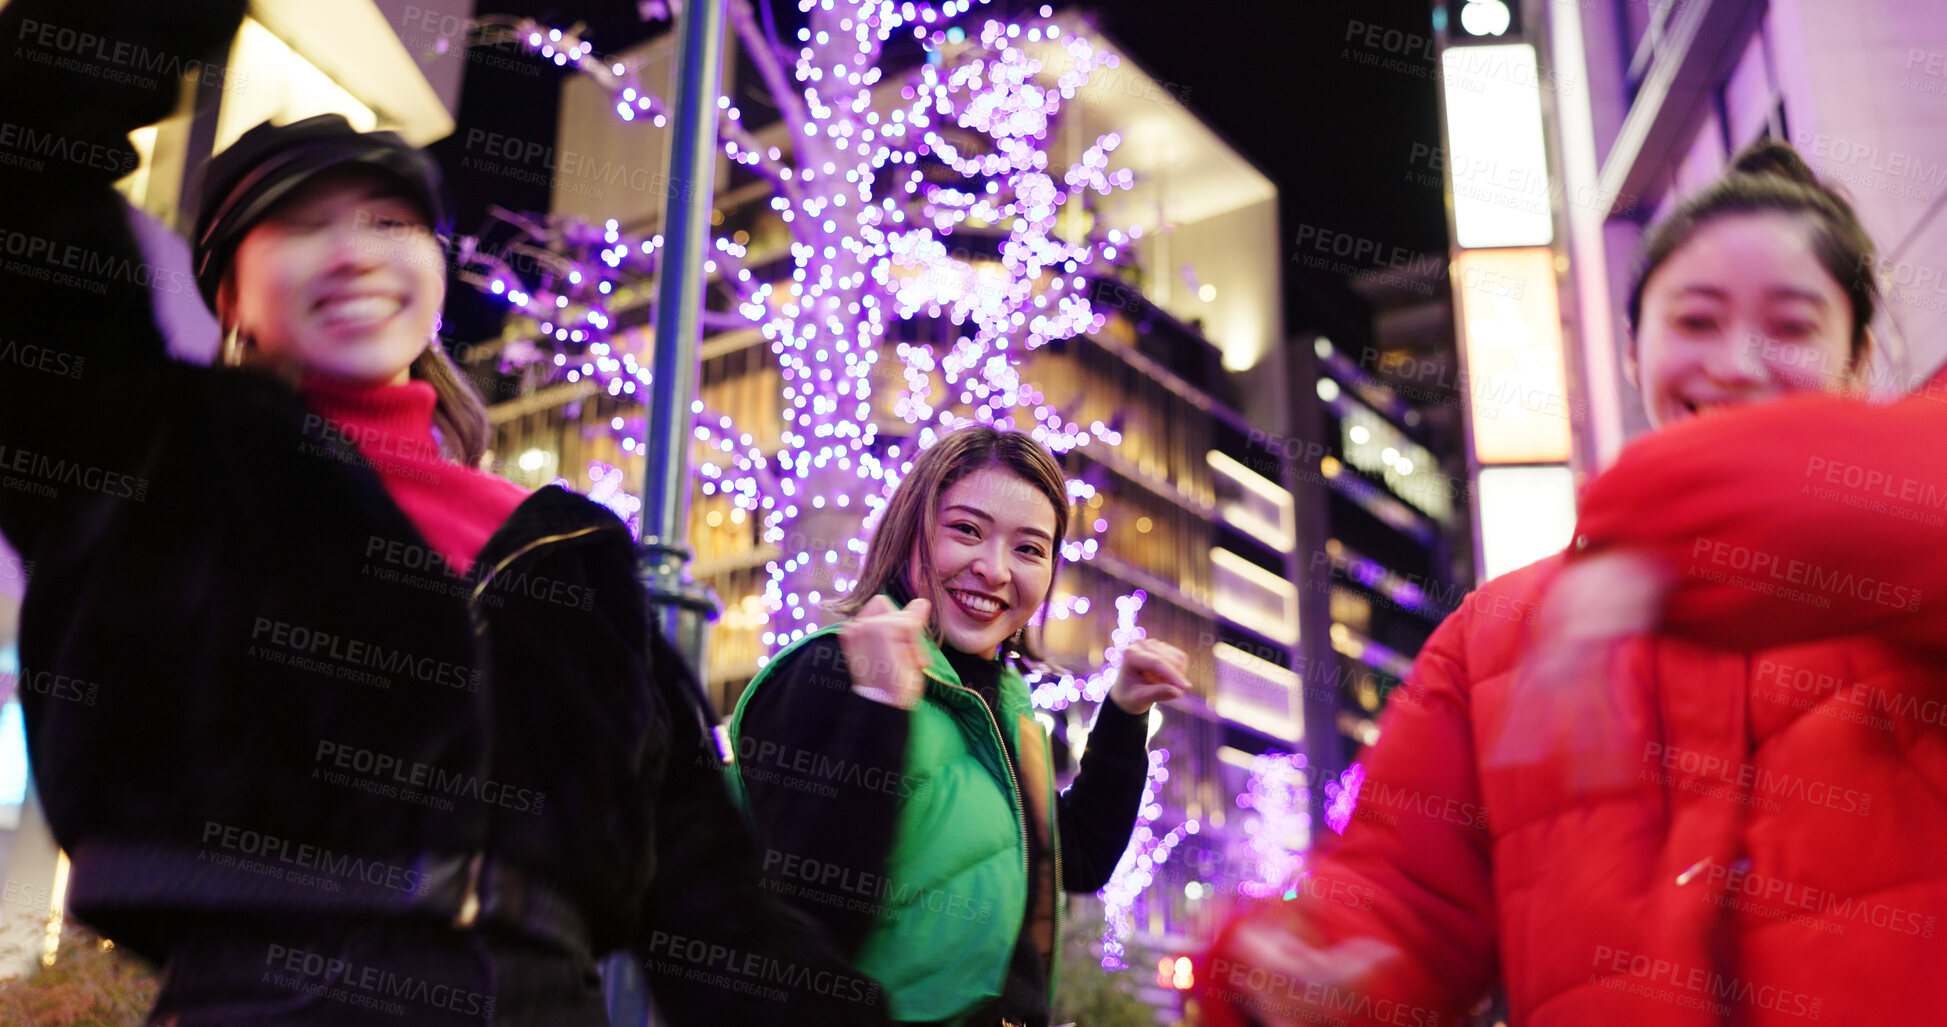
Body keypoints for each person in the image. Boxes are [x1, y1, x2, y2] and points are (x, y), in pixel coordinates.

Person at [0, 2, 885, 1024]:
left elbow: (709, 897)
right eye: (298, 223)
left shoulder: (573, 551)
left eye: (392, 221)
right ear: (229, 289)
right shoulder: (160, 463)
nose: (356, 252)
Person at [1197, 139, 1947, 1026]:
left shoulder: (1910, 552)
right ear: (1632, 352)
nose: (1738, 362)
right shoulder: (1492, 640)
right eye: (1694, 321)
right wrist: (1290, 974)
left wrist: (1646, 541)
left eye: (1790, 326)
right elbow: (1401, 891)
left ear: (1860, 359)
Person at [728, 425, 1192, 1026]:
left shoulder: (1009, 703)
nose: (994, 569)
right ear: (909, 534)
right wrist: (876, 708)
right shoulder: (825, 669)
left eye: (1029, 549)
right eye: (967, 530)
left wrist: (1125, 715)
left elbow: (1075, 861)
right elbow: (804, 914)